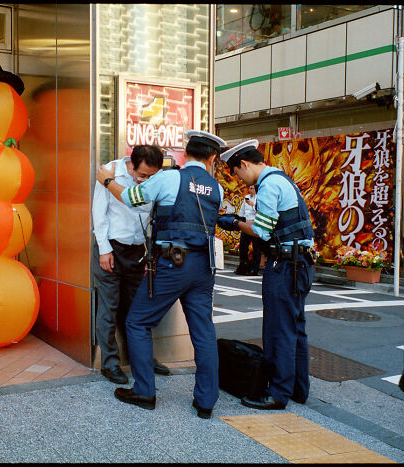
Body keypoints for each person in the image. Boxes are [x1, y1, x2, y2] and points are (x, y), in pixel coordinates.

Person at [96, 129, 225, 419]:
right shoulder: (216, 188)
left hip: (173, 264)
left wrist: (106, 180)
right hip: (204, 268)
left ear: (184, 151)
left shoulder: (168, 178)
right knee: (204, 332)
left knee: (138, 322)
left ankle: (144, 392)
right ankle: (206, 402)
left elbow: (131, 197)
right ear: (212, 158)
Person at [218, 139, 315, 410]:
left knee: (278, 330)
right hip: (300, 263)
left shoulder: (269, 185)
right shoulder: (283, 179)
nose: (240, 179)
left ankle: (278, 394)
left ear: (245, 164)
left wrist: (235, 222)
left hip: (285, 265)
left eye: (238, 172)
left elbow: (262, 230)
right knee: (296, 328)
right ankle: (298, 388)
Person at [92, 145, 171, 385]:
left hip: (138, 251)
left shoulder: (157, 179)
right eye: (142, 174)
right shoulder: (110, 172)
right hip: (111, 248)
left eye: (151, 176)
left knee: (139, 309)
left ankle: (143, 359)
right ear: (132, 164)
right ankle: (110, 364)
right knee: (109, 309)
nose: (144, 180)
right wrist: (104, 250)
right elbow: (99, 212)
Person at [235, 184, 262, 276]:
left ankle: (254, 269)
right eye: (250, 188)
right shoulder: (246, 198)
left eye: (253, 188)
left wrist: (253, 205)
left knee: (256, 248)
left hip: (255, 225)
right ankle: (243, 266)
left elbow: (261, 211)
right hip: (246, 224)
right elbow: (242, 211)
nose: (251, 190)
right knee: (243, 247)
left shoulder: (259, 198)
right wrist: (240, 221)